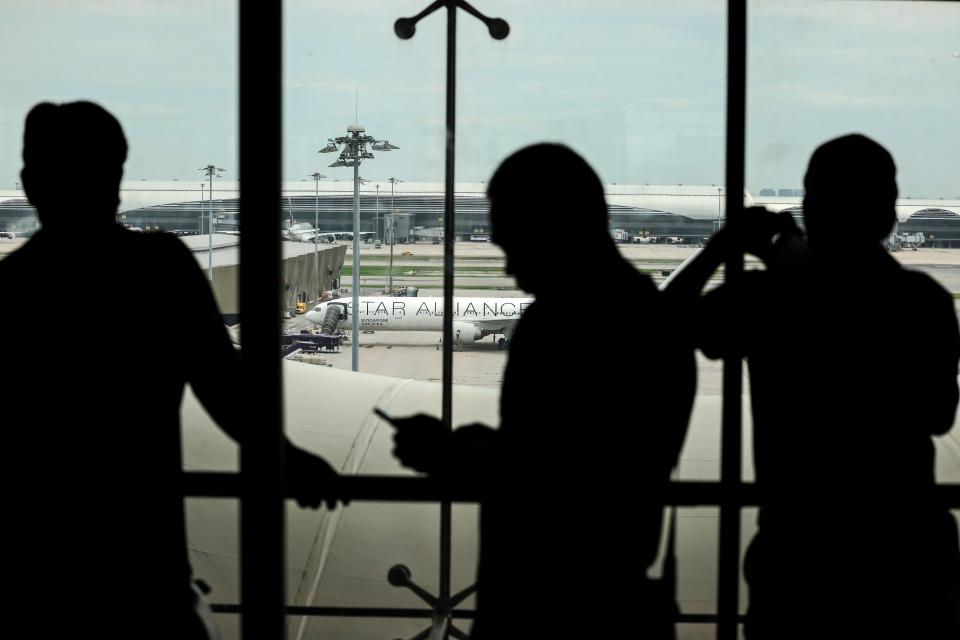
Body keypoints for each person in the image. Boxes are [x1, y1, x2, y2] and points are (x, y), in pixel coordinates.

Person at [0, 101, 342, 638]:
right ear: (115, 176)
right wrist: (289, 459)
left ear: (30, 181)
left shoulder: (11, 291)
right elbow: (225, 389)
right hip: (143, 569)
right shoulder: (158, 268)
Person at [391, 143, 696, 639]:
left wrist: (454, 456)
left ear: (552, 223)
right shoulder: (646, 316)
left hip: (552, 600)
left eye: (510, 234)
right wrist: (482, 444)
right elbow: (568, 452)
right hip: (607, 594)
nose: (504, 254)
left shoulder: (564, 325)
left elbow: (562, 484)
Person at [666, 133, 960, 638]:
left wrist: (726, 246)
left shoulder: (767, 299)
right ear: (889, 216)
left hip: (798, 562)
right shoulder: (924, 302)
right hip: (908, 559)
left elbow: (657, 327)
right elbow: (938, 415)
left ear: (809, 210)